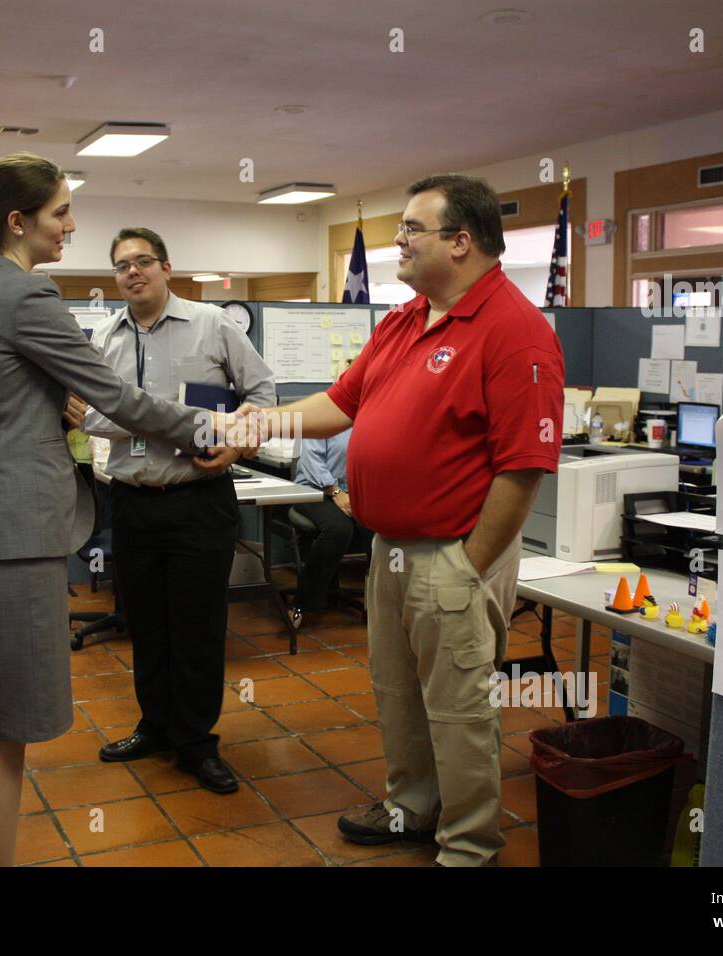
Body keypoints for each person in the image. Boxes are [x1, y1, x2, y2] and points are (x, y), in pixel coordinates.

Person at [236, 174, 564, 866]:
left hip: (453, 552)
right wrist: (262, 421)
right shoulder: (402, 320)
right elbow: (340, 402)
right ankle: (413, 809)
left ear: (462, 241)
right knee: (397, 692)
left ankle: (469, 843)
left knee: (458, 705)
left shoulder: (515, 332)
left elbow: (522, 469)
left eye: (412, 229)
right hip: (388, 546)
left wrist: (471, 565)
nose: (398, 241)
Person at [0, 152, 233, 866]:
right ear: (18, 221)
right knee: (7, 731)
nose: (71, 225)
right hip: (13, 534)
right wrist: (208, 429)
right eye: (60, 212)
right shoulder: (23, 294)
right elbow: (119, 399)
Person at [82, 227, 275, 794]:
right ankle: (155, 727)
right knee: (146, 624)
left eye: (143, 262)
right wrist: (151, 420)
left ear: (167, 267)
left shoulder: (212, 325)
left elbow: (263, 395)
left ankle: (195, 741)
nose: (133, 273)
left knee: (197, 627)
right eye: (122, 266)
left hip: (197, 498)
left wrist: (237, 446)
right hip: (133, 502)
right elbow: (87, 415)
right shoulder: (104, 338)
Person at [289, 428, 372, 630]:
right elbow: (310, 460)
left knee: (381, 526)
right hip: (314, 490)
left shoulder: (374, 415)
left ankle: (380, 603)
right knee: (338, 529)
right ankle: (302, 602)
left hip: (356, 491)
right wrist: (335, 492)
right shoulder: (328, 416)